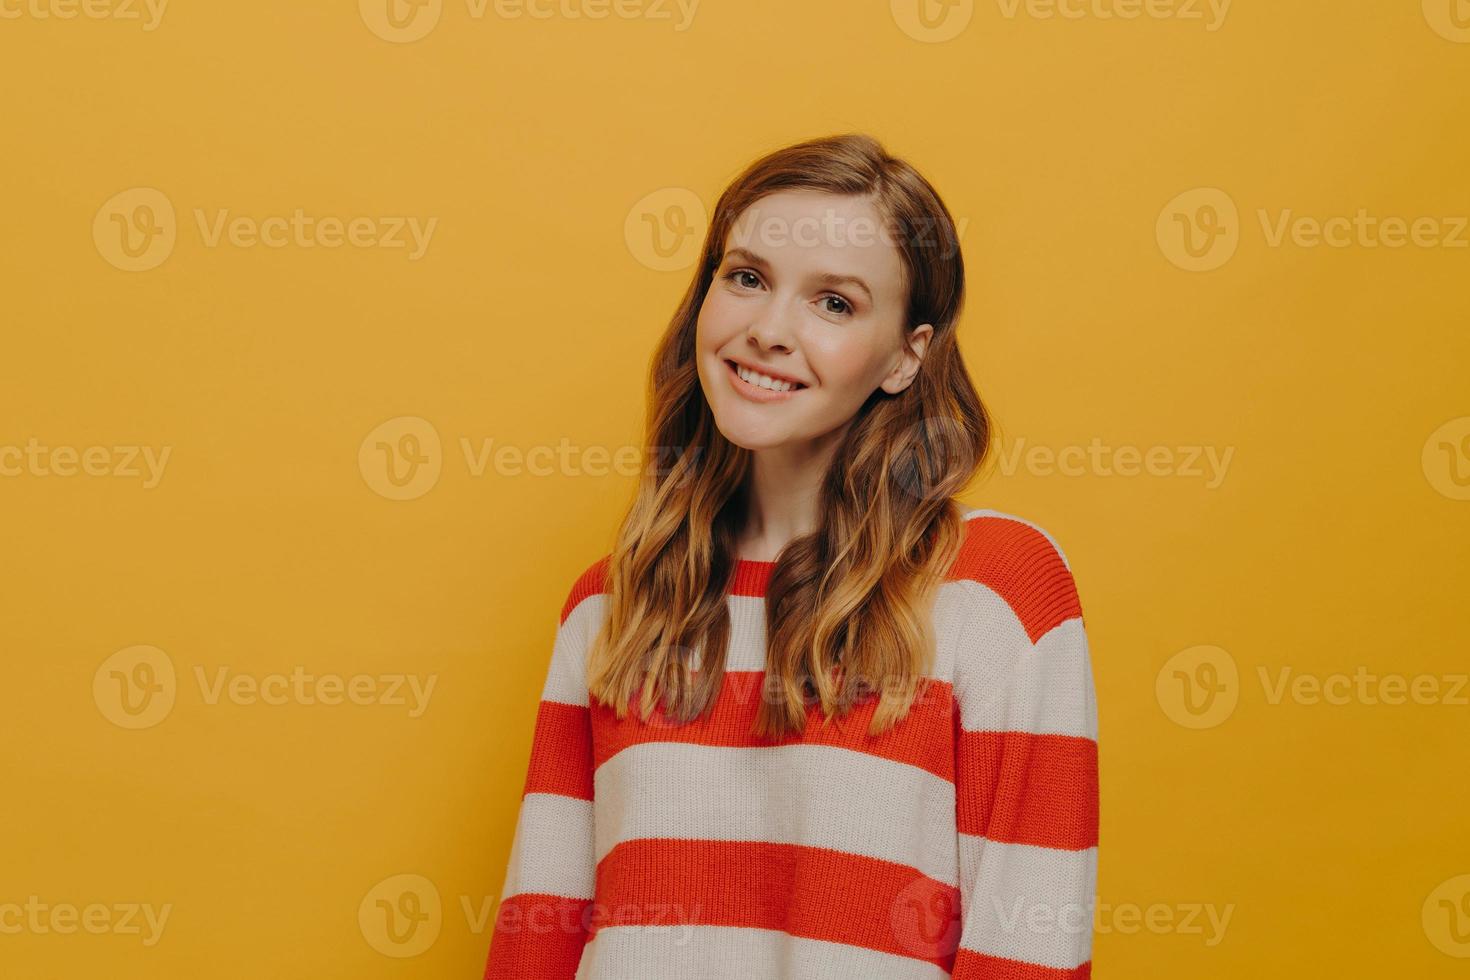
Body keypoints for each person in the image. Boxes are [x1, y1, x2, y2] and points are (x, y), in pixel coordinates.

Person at [481, 132, 1098, 979]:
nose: (769, 330)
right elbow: (537, 935)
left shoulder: (995, 590)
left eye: (834, 303)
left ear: (906, 356)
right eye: (747, 278)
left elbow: (1029, 942)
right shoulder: (607, 606)